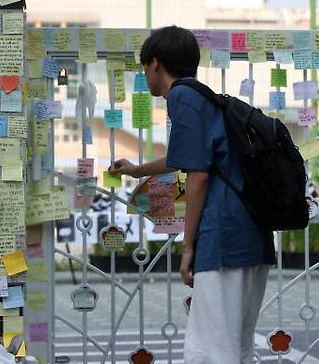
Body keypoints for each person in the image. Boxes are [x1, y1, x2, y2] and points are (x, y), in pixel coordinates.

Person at [109, 25, 275, 364]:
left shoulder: (181, 97)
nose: (146, 75)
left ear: (155, 63)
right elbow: (184, 158)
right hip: (251, 233)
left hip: (225, 237)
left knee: (212, 350)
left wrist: (188, 247)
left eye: (144, 68)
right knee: (237, 347)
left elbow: (197, 176)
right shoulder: (204, 97)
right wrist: (137, 170)